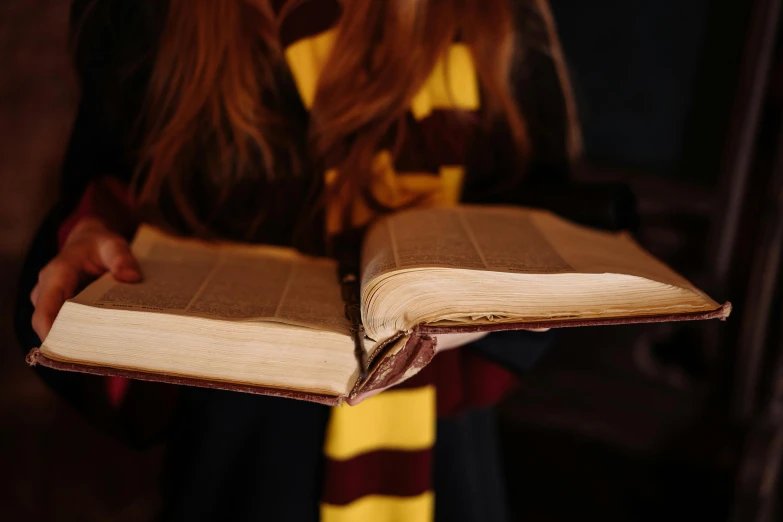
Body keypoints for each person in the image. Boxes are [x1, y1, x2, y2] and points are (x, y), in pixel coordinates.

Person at [16, 0, 582, 520]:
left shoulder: (492, 13)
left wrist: (500, 303)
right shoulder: (144, 13)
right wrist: (88, 239)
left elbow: (546, 211)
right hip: (238, 464)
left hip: (442, 457)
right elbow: (100, 190)